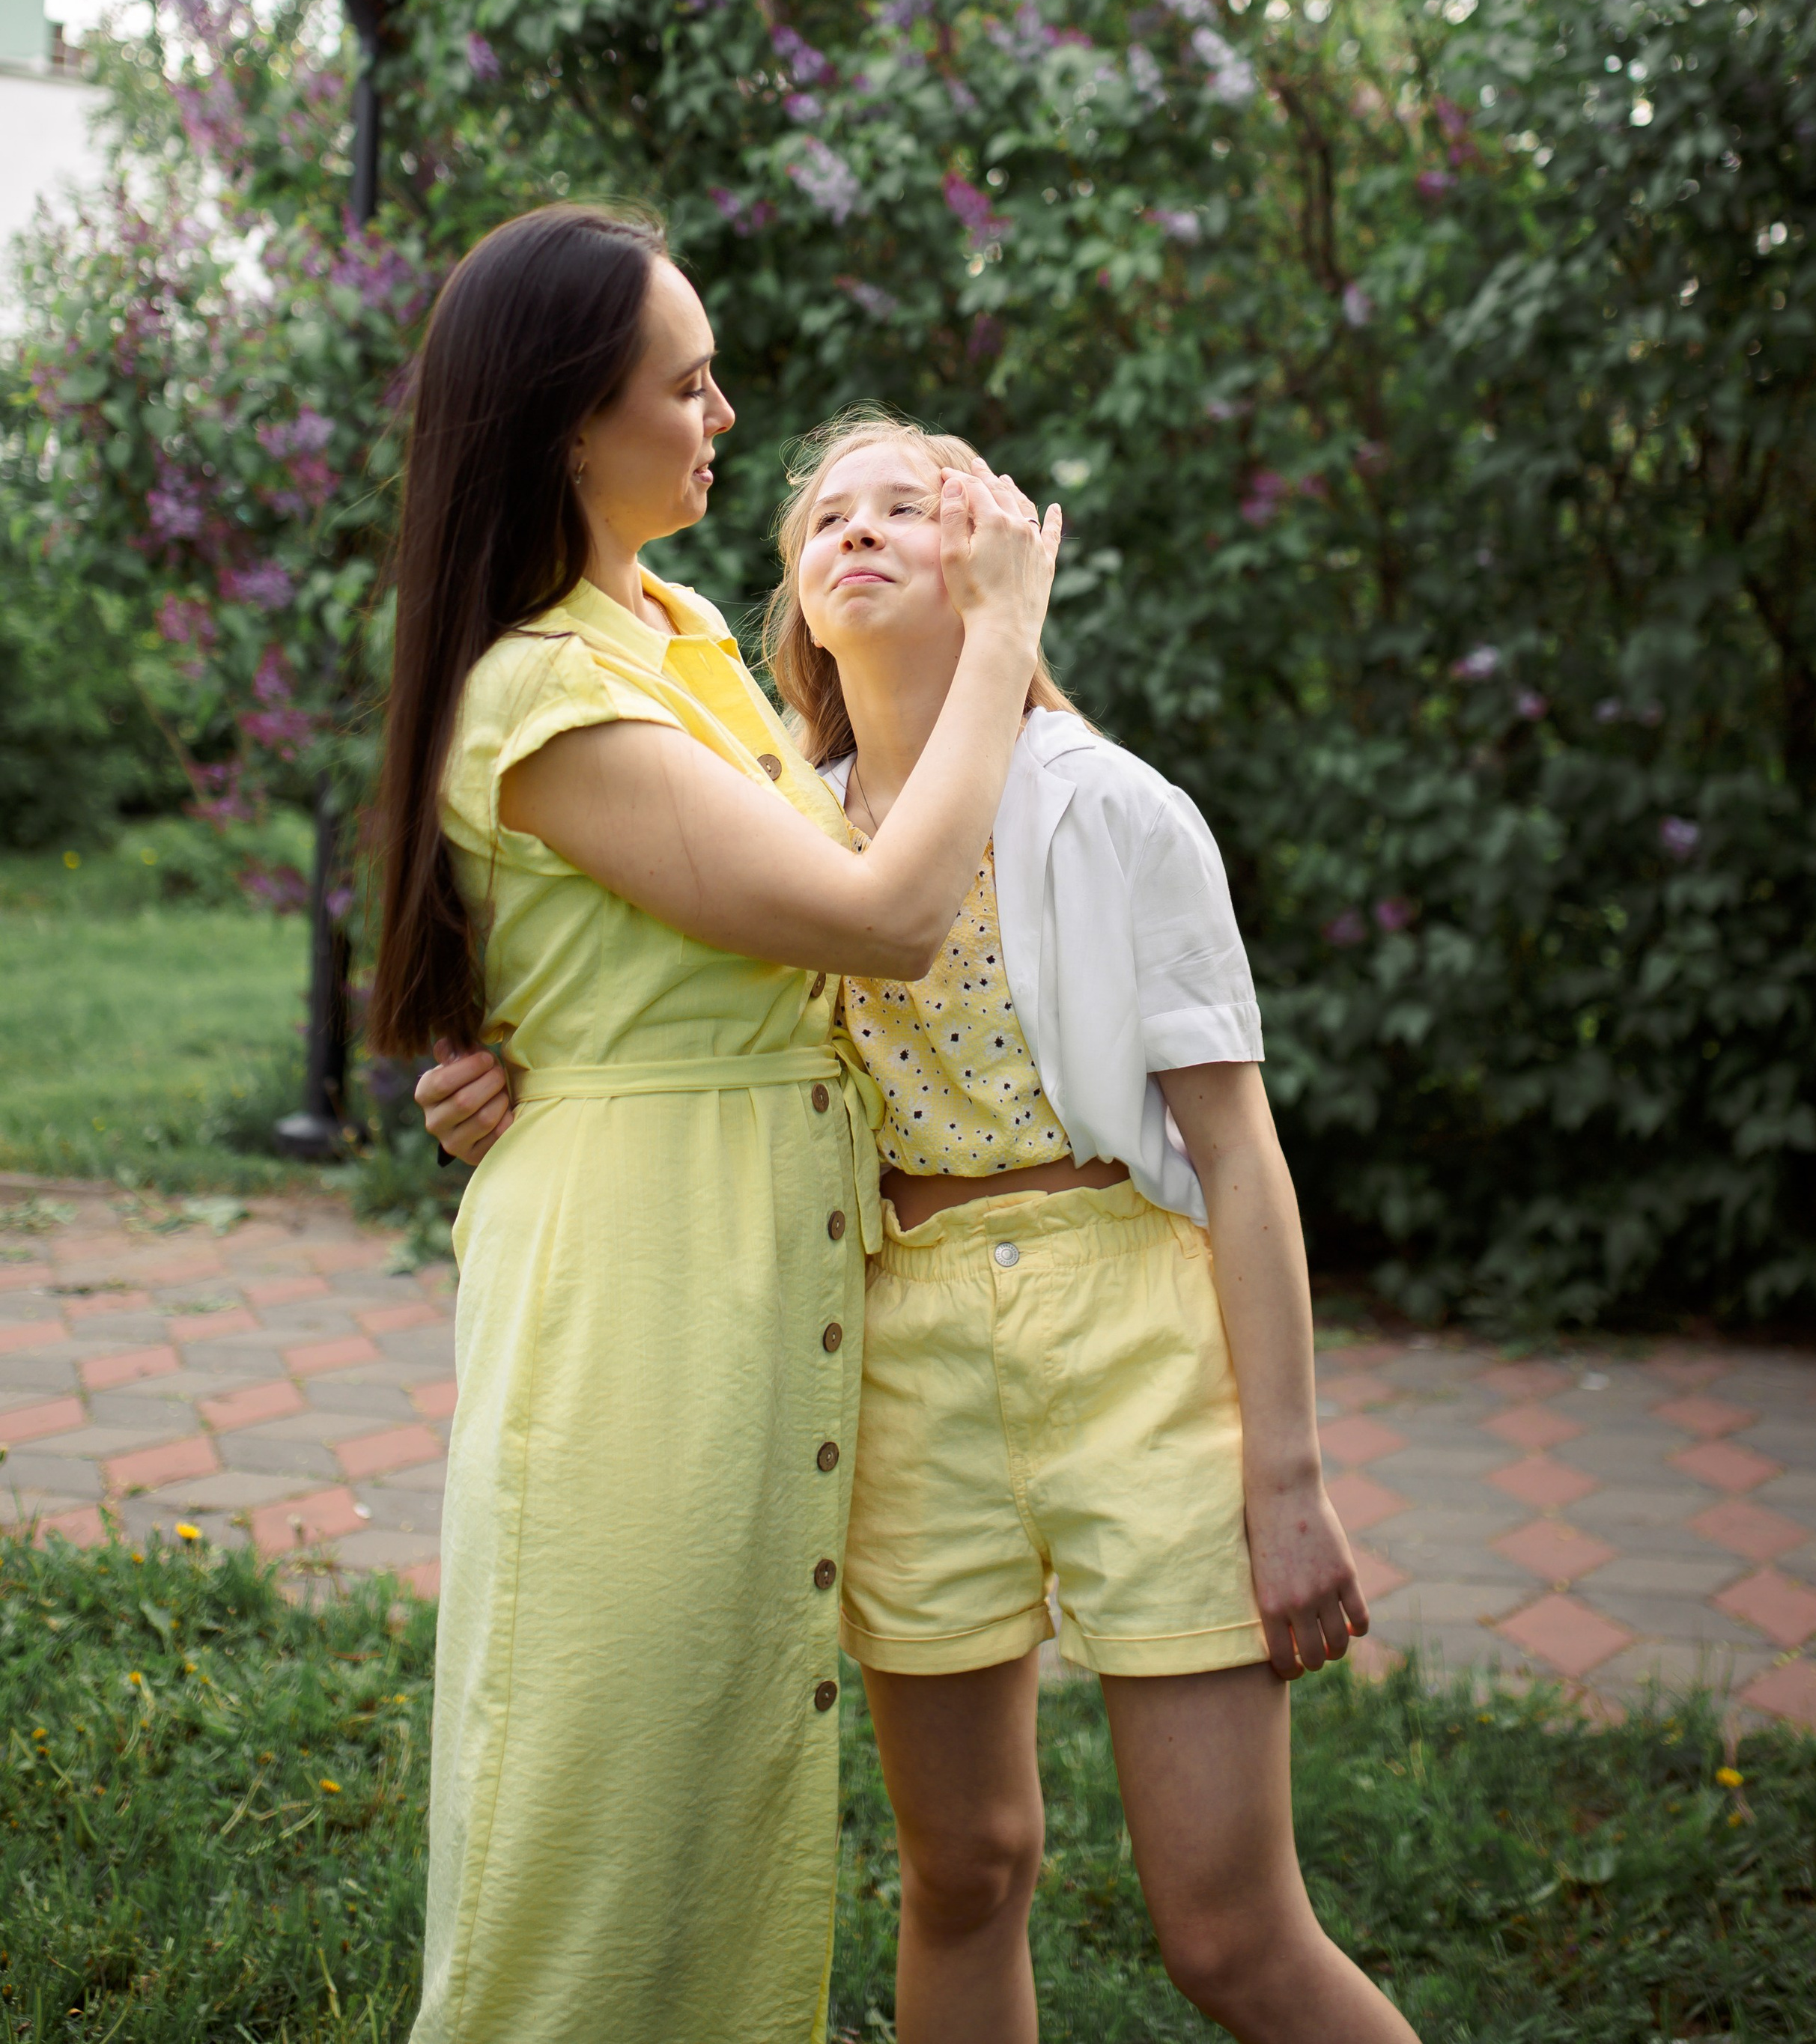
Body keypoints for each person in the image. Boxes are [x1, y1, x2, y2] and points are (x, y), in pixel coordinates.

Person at [426, 401, 1419, 2044]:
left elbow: (1240, 1158)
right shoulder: (777, 825)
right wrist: (503, 1079)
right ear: (799, 611)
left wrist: (1286, 1475)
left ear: (995, 563)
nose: (861, 531)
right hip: (894, 1358)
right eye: (826, 518)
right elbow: (659, 1013)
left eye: (910, 505)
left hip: (1129, 1339)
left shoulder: (1111, 810)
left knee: (1228, 1935)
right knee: (962, 1870)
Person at [369, 216, 1059, 2044]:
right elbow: (877, 918)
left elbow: (695, 946)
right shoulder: (541, 687)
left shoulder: (670, 629)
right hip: (640, 1283)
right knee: (605, 1788)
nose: (723, 414)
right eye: (683, 385)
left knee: (717, 1773)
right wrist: (1001, 631)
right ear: (564, 425)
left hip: (745, 1260)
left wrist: (532, 1049)